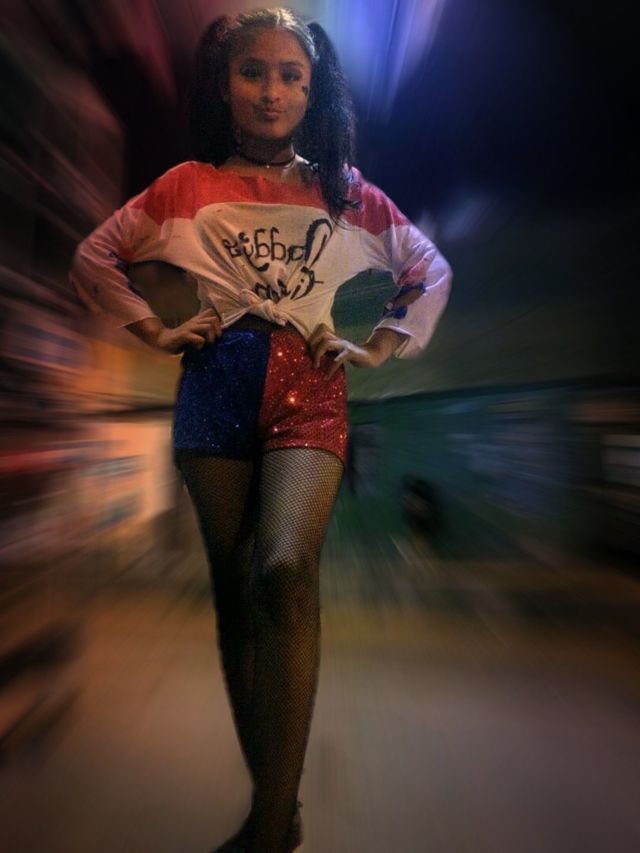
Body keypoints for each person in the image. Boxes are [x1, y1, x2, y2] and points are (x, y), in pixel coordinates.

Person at [70, 8, 452, 851]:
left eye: (291, 76)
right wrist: (156, 330)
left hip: (309, 383)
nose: (271, 91)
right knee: (238, 594)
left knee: (282, 569)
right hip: (214, 381)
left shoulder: (346, 192)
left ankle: (271, 825)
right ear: (226, 84)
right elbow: (95, 256)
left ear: (314, 93)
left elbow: (428, 269)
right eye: (253, 72)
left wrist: (379, 346)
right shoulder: (183, 185)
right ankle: (276, 809)